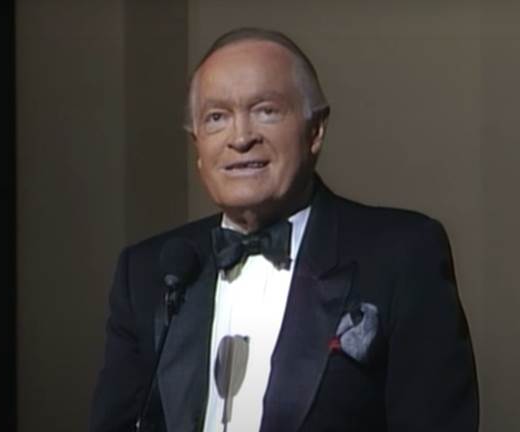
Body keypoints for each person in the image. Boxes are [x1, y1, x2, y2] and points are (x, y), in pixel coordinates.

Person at [90, 28, 478, 432]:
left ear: (315, 131)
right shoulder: (147, 272)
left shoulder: (402, 255)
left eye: (266, 110)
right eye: (217, 117)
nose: (241, 138)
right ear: (198, 148)